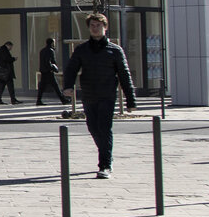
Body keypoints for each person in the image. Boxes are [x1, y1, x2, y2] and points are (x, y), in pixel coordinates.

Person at [62, 13, 136, 179]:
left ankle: (105, 165)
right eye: (92, 26)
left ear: (105, 27)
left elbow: (125, 75)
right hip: (89, 95)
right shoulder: (82, 50)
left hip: (107, 95)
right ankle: (105, 151)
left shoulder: (115, 50)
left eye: (98, 26)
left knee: (104, 128)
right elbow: (71, 69)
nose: (95, 28)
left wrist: (131, 101)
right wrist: (68, 86)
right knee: (93, 128)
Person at [35, 38, 62, 106]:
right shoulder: (50, 51)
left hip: (43, 70)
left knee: (42, 86)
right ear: (52, 43)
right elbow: (48, 61)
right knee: (55, 85)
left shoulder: (42, 50)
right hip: (48, 71)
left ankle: (38, 100)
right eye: (54, 43)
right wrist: (53, 68)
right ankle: (63, 99)